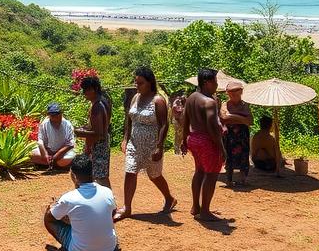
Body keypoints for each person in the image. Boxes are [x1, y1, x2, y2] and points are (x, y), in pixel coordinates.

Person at [114, 67, 177, 221]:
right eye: (136, 83)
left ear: (150, 83)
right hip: (134, 144)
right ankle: (127, 208)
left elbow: (164, 125)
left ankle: (169, 198)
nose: (137, 86)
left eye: (140, 83)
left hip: (151, 146)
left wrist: (159, 147)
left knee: (154, 175)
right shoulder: (135, 98)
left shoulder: (158, 100)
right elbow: (129, 119)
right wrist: (125, 138)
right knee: (130, 171)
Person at [43, 154, 119, 251]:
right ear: (92, 172)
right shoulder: (107, 192)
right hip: (109, 247)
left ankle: (70, 244)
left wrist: (52, 207)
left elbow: (49, 218)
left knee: (50, 217)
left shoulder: (69, 198)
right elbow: (113, 213)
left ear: (73, 175)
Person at [182, 68, 228, 220]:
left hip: (193, 139)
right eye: (215, 81)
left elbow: (185, 120)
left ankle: (196, 206)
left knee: (199, 171)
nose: (216, 84)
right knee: (212, 174)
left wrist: (184, 140)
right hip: (207, 141)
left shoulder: (191, 97)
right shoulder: (209, 102)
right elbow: (212, 126)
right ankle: (205, 212)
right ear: (207, 82)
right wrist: (221, 147)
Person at [74, 76, 113, 187]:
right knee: (100, 175)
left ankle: (108, 201)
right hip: (102, 143)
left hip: (98, 145)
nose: (84, 93)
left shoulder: (97, 106)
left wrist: (79, 133)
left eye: (87, 89)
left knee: (99, 176)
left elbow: (98, 133)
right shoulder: (104, 100)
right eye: (83, 90)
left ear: (94, 89)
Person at [221, 81, 254, 186]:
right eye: (231, 93)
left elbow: (250, 121)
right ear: (228, 94)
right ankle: (229, 180)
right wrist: (241, 118)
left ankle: (243, 179)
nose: (234, 95)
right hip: (229, 134)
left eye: (236, 92)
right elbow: (223, 118)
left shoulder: (245, 105)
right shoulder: (224, 104)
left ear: (241, 92)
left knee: (244, 155)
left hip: (242, 135)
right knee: (228, 155)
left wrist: (232, 116)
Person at [31, 103, 75, 170]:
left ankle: (48, 164)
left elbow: (70, 144)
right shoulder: (44, 124)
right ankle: (54, 164)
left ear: (61, 114)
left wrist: (56, 155)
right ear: (49, 115)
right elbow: (41, 141)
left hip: (63, 154)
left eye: (58, 114)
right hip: (49, 151)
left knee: (70, 157)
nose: (56, 117)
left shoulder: (67, 124)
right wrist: (45, 154)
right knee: (32, 154)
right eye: (53, 115)